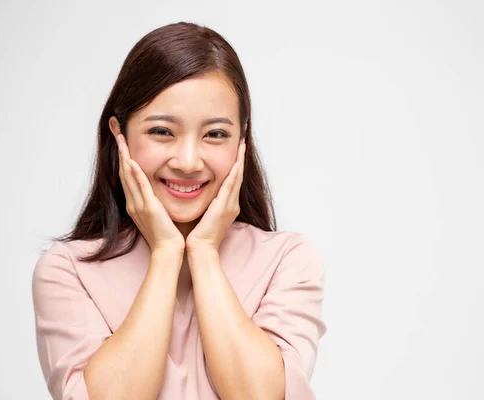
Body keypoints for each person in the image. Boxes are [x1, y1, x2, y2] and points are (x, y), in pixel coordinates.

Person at [31, 21, 326, 400]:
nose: (188, 162)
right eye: (162, 132)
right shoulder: (68, 271)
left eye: (215, 134)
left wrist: (203, 251)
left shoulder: (288, 260)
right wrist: (166, 252)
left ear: (242, 140)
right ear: (118, 136)